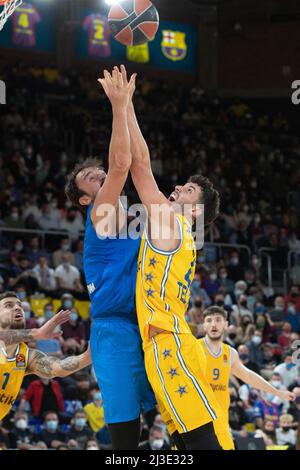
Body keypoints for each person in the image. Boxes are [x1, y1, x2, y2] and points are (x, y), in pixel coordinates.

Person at [123, 65, 222, 450]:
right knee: (184, 441)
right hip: (168, 341)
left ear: (194, 211)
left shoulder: (170, 223)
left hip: (167, 343)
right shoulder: (181, 236)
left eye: (188, 191)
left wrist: (126, 105)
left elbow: (140, 166)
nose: (178, 187)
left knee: (198, 441)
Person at [65, 67, 156, 450]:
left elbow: (137, 163)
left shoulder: (129, 216)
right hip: (113, 328)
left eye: (96, 170)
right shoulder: (99, 213)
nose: (98, 173)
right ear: (85, 198)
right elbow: (120, 165)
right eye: (90, 177)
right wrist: (118, 106)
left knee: (164, 410)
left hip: (147, 321)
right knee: (124, 431)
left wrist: (130, 107)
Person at [198, 306, 296, 450]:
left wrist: (277, 392)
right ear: (204, 325)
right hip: (197, 420)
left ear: (226, 324)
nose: (214, 324)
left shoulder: (230, 353)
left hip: (220, 421)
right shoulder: (194, 348)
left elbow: (249, 376)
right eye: (209, 320)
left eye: (218, 320)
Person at [0, 291, 91, 422]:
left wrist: (88, 356)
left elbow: (58, 368)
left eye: (19, 305)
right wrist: (37, 333)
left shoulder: (26, 355)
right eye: (9, 305)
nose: (17, 307)